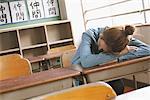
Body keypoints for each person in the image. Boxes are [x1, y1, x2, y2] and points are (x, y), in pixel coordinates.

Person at [72, 25, 150, 95]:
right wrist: (118, 54)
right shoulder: (88, 35)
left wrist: (120, 55)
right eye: (99, 45)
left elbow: (148, 50)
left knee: (118, 87)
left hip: (105, 73)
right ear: (101, 35)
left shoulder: (121, 38)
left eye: (104, 51)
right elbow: (86, 62)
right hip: (84, 77)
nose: (99, 49)